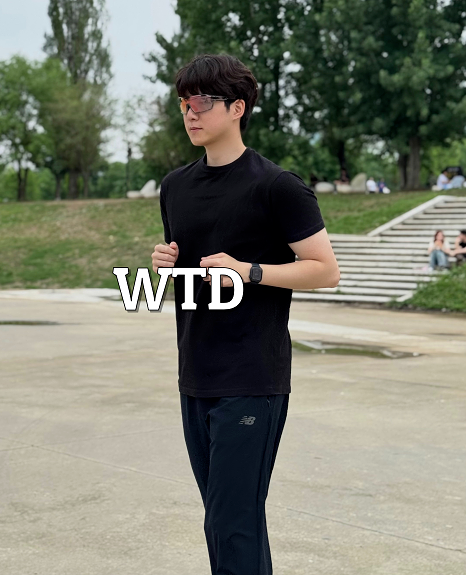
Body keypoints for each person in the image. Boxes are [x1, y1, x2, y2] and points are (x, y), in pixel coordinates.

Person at [151, 53, 340, 575]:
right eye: (183, 103)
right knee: (224, 522)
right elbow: (192, 277)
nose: (190, 113)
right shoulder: (174, 187)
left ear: (237, 108)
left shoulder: (277, 186)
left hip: (253, 376)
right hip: (196, 373)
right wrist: (166, 263)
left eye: (201, 102)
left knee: (232, 522)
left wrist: (249, 271)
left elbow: (325, 269)